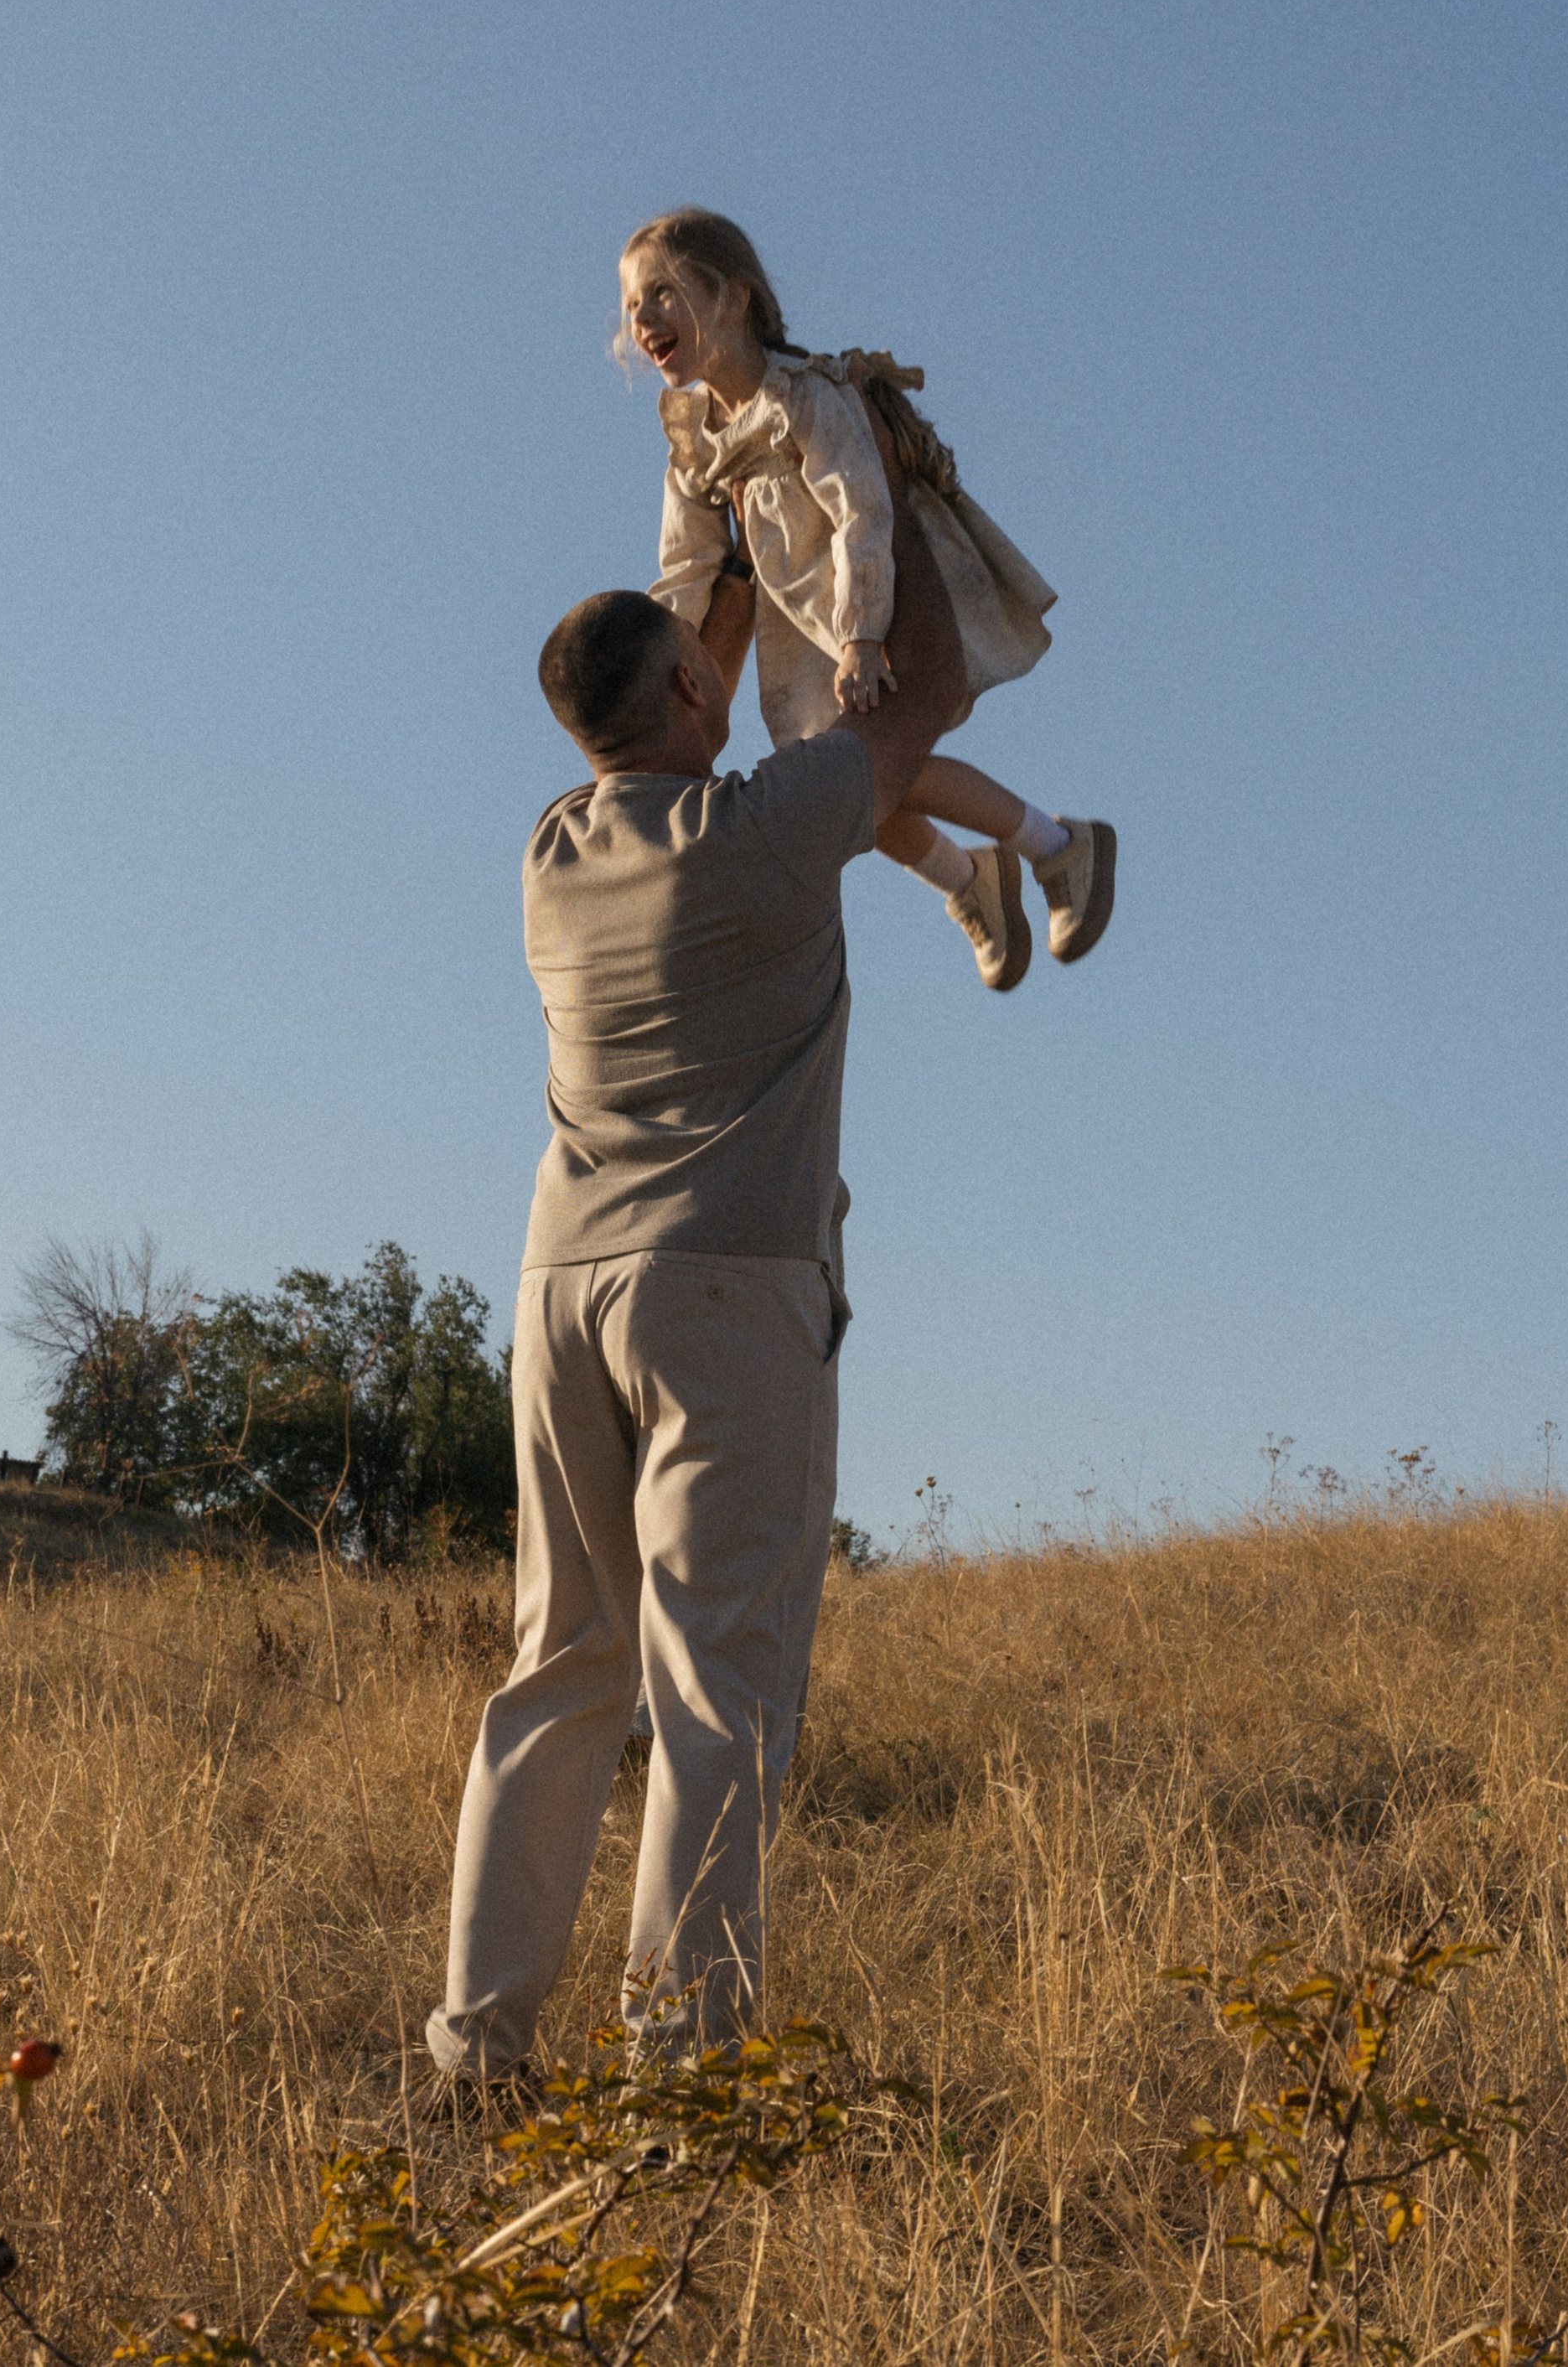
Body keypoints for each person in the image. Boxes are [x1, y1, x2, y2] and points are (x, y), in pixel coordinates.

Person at [425, 429, 968, 2092]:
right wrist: (898, 490)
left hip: (557, 1289)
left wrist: (726, 534)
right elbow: (922, 694)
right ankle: (678, 2068)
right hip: (725, 1289)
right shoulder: (772, 825)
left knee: (560, 1666)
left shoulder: (550, 848)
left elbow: (690, 665)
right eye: (695, 658)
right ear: (678, 696)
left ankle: (480, 2046)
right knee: (718, 1679)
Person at [618, 206, 1115, 992]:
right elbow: (685, 567)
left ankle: (1056, 844)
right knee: (843, 795)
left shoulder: (805, 400)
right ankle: (970, 878)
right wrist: (660, 677)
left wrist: (863, 634)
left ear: (733, 295)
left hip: (871, 606)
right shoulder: (696, 445)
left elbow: (861, 510)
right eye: (631, 306)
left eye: (663, 293)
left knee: (878, 770)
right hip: (802, 637)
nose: (643, 318)